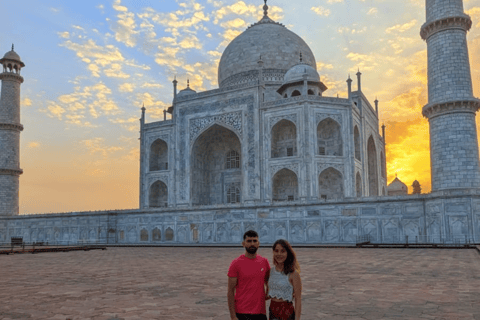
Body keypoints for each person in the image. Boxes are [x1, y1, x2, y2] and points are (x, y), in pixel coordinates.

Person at [228, 230, 271, 320]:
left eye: (255, 241)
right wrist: (233, 316)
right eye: (249, 241)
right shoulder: (236, 263)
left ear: (258, 243)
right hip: (242, 312)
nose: (252, 244)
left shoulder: (264, 262)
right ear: (243, 244)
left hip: (260, 312)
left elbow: (269, 282)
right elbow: (230, 292)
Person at [267, 239, 302, 320]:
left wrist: (297, 318)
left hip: (286, 311)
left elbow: (298, 299)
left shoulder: (293, 274)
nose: (279, 254)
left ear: (288, 253)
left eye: (283, 251)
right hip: (272, 310)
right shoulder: (270, 272)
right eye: (276, 251)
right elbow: (267, 292)